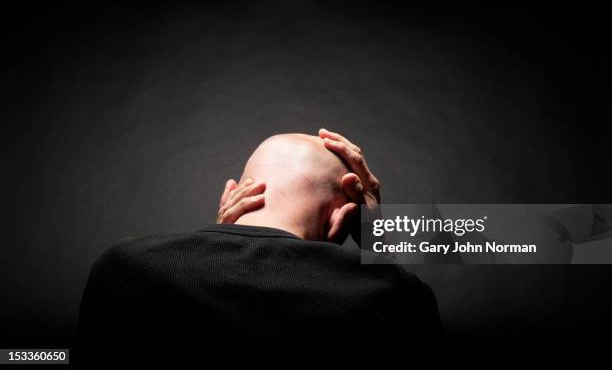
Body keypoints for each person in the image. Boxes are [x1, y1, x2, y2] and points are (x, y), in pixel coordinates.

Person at [76, 129, 441, 363]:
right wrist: (379, 246)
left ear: (230, 195)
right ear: (342, 219)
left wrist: (219, 239)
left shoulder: (124, 269)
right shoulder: (393, 296)